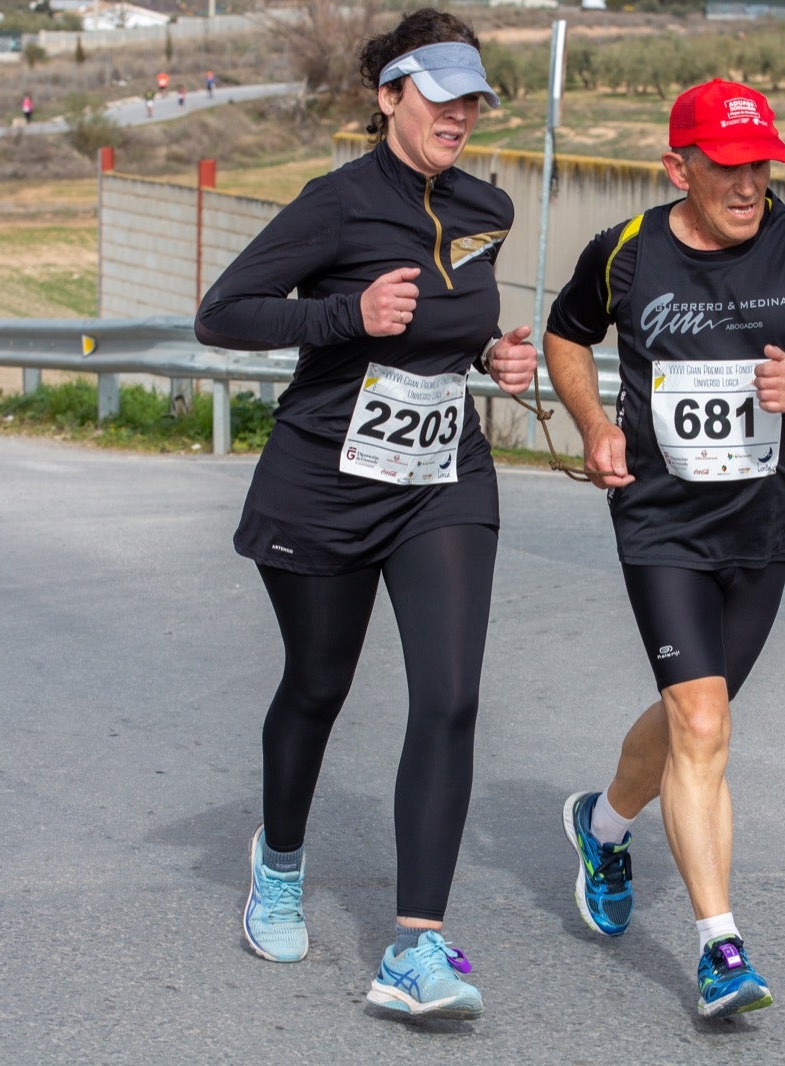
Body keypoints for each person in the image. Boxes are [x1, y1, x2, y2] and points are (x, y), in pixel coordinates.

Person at [194, 8, 536, 1022]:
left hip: (443, 479)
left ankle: (416, 947)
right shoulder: (333, 206)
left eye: (472, 96)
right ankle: (282, 864)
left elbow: (455, 323)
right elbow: (223, 313)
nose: (459, 114)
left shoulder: (485, 207)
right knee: (317, 684)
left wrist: (492, 358)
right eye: (439, 94)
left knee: (450, 696)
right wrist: (346, 315)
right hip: (326, 482)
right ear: (389, 95)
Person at [543, 78, 785, 1019]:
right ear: (678, 166)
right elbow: (565, 337)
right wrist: (591, 426)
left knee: (703, 713)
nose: (749, 185)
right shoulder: (623, 251)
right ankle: (720, 949)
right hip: (660, 522)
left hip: (763, 526)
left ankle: (603, 823)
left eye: (762, 164)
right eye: (729, 167)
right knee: (702, 726)